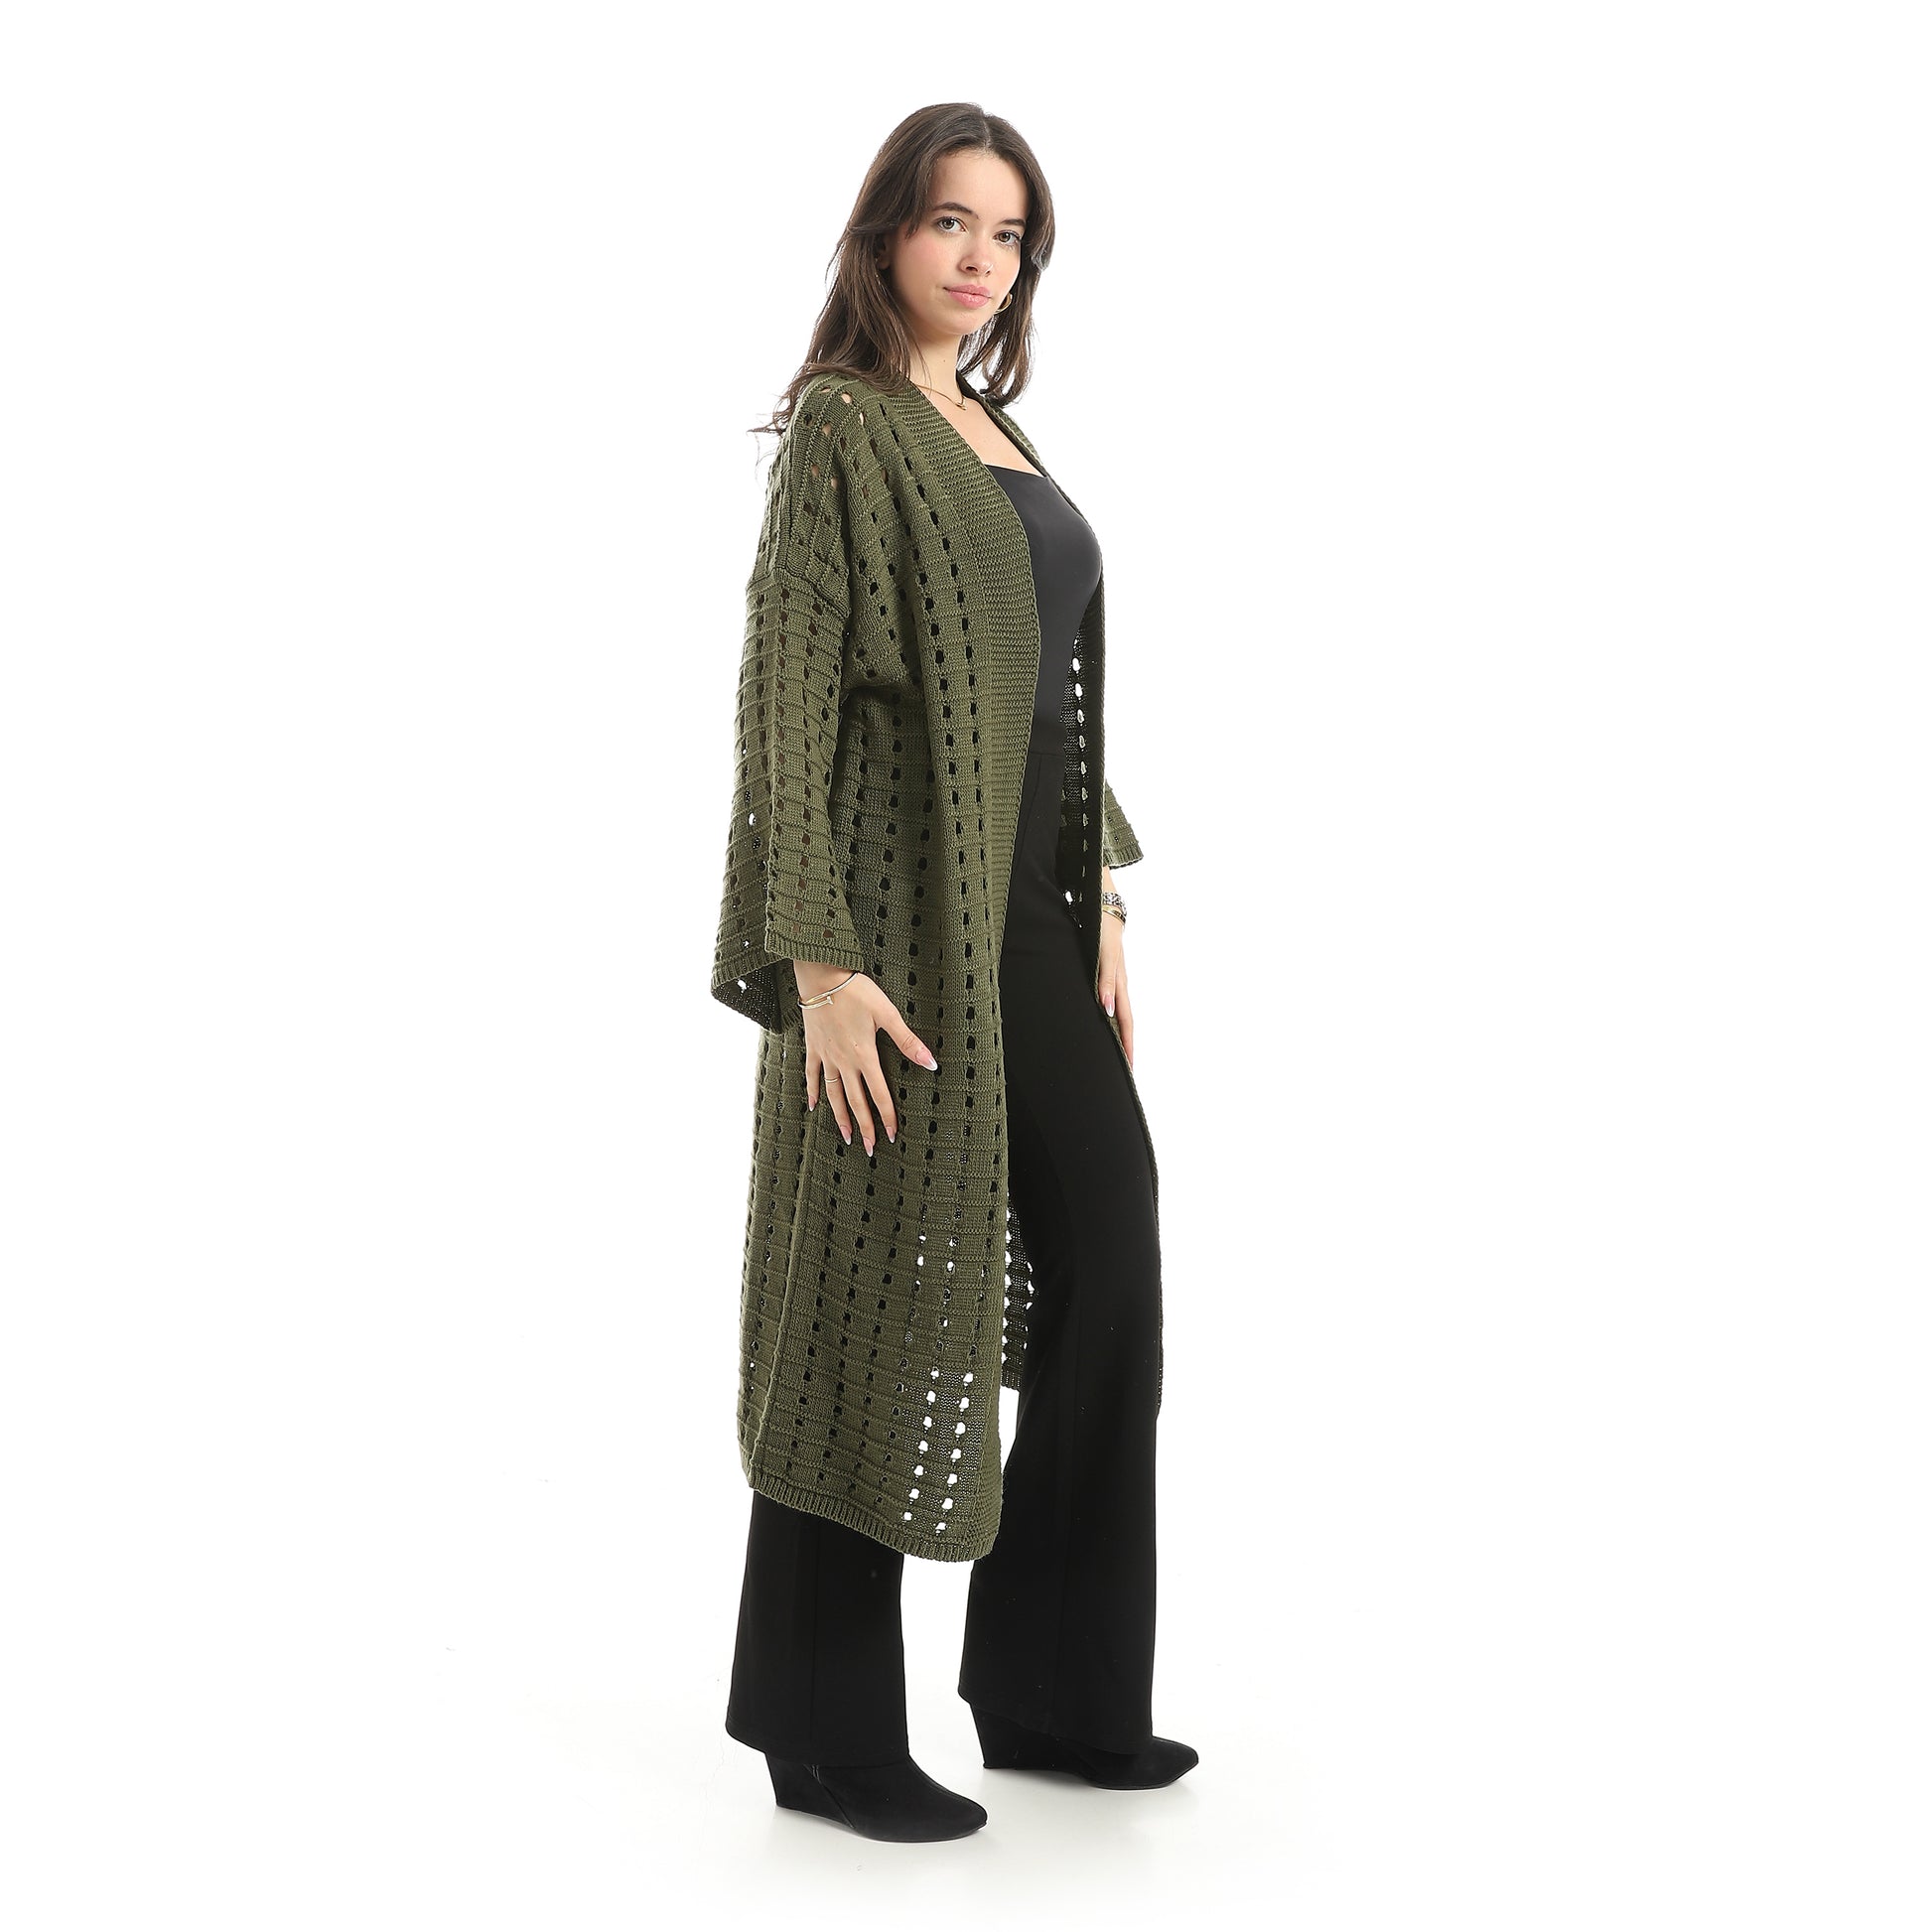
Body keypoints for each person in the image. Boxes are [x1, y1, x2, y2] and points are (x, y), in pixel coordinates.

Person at [709, 103, 1196, 1843]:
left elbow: (1034, 688)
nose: (980, 257)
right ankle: (822, 1732)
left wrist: (1101, 887)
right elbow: (786, 702)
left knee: (1109, 1257)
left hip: (1034, 927)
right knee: (861, 1296)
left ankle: (1056, 1691)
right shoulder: (846, 426)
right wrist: (815, 965)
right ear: (884, 237)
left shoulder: (994, 426)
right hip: (894, 938)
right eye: (948, 222)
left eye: (1007, 233)